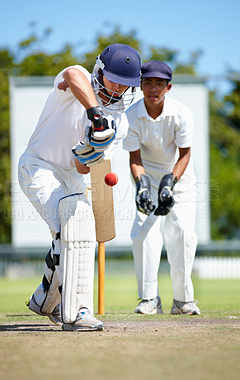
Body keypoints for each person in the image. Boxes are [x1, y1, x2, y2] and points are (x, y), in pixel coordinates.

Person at [18, 44, 141, 331]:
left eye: (126, 84)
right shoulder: (77, 81)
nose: (119, 88)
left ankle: (45, 298)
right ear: (100, 71)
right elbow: (73, 74)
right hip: (38, 165)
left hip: (71, 175)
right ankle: (77, 312)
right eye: (114, 80)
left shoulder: (119, 122)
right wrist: (95, 115)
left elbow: (83, 169)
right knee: (72, 227)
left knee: (75, 233)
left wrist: (88, 151)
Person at [123, 61, 200, 315]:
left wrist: (170, 182)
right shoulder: (132, 116)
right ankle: (149, 299)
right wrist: (141, 187)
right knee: (144, 235)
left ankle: (182, 300)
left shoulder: (180, 113)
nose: (152, 89)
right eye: (147, 83)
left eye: (158, 84)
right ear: (141, 86)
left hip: (180, 179)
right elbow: (135, 158)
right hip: (148, 178)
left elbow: (185, 155)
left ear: (168, 87)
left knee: (183, 234)